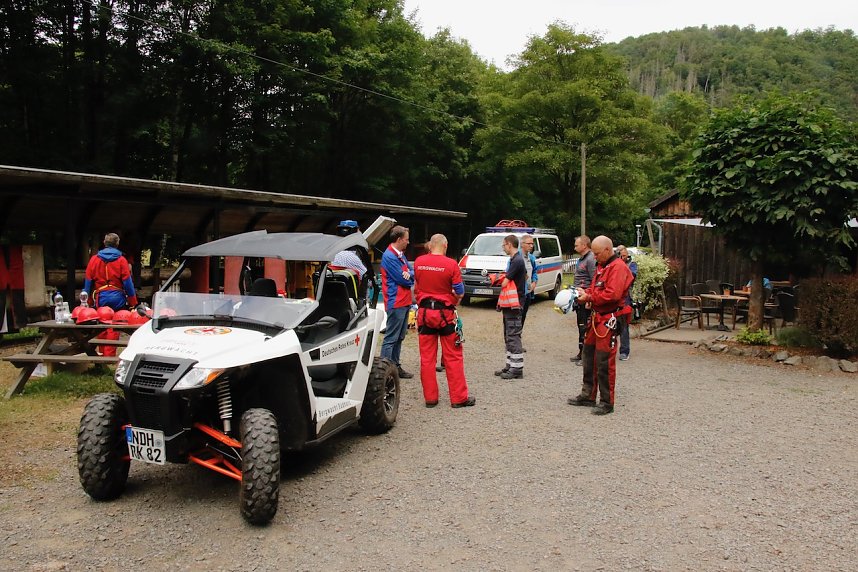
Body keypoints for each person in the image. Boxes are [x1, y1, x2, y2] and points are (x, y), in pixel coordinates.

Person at [567, 235, 634, 415]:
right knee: (588, 356)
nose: (594, 257)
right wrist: (586, 292)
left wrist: (589, 297)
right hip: (597, 318)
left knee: (604, 361)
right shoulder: (602, 265)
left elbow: (612, 295)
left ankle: (606, 402)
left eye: (596, 254)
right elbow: (598, 289)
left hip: (609, 319)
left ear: (606, 250)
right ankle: (588, 394)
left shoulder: (618, 268)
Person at [413, 234, 475, 408]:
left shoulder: (419, 262)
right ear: (445, 246)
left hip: (425, 315)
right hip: (445, 315)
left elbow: (416, 287)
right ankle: (458, 399)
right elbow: (460, 291)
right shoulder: (451, 264)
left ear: (430, 245)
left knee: (427, 358)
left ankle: (430, 399)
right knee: (453, 357)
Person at [83, 233, 138, 358]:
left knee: (102, 324)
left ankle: (102, 354)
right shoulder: (121, 260)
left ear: (104, 242)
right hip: (118, 297)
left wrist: (87, 302)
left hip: (100, 297)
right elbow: (127, 283)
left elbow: (88, 281)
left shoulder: (94, 259)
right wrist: (133, 302)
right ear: (117, 244)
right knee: (114, 325)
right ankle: (109, 356)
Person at [380, 225, 414, 379]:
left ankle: (395, 366)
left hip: (404, 301)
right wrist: (408, 276)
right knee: (391, 338)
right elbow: (403, 279)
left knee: (400, 336)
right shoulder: (390, 257)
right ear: (399, 239)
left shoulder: (400, 255)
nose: (408, 242)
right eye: (406, 239)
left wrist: (409, 274)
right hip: (396, 302)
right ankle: (384, 370)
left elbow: (410, 273)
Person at [494, 234, 526, 380]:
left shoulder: (517, 261)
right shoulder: (515, 259)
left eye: (503, 245)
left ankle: (517, 369)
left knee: (513, 335)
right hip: (511, 303)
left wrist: (497, 279)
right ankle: (510, 365)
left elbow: (505, 282)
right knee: (508, 334)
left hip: (514, 304)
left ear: (509, 244)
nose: (503, 248)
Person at [571, 235, 596, 364]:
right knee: (581, 326)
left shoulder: (591, 259)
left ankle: (587, 357)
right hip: (579, 297)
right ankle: (581, 352)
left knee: (586, 328)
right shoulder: (581, 259)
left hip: (586, 298)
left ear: (584, 245)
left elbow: (594, 280)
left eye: (576, 245)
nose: (574, 247)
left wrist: (589, 300)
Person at [616, 245, 638, 361]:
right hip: (614, 298)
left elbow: (630, 277)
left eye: (624, 255)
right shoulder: (613, 264)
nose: (622, 257)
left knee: (624, 325)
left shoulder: (632, 265)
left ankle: (624, 351)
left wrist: (620, 265)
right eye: (620, 255)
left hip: (626, 298)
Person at [520, 234, 539, 328]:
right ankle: (513, 337)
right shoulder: (517, 257)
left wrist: (534, 282)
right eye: (529, 244)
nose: (531, 246)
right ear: (522, 244)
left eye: (532, 244)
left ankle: (519, 334)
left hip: (528, 293)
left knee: (523, 315)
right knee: (516, 317)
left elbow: (535, 271)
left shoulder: (531, 258)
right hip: (519, 293)